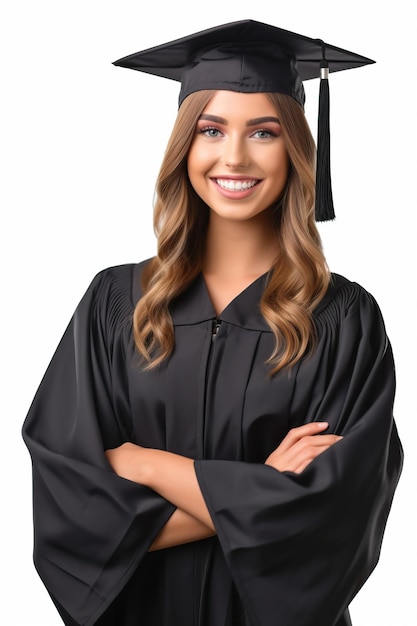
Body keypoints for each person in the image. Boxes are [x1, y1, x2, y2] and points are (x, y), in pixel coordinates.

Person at [22, 19, 403, 626]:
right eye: (211, 129)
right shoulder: (115, 303)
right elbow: (73, 522)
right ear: (185, 146)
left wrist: (152, 468)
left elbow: (337, 520)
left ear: (298, 149)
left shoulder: (344, 319)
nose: (234, 156)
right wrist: (262, 487)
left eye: (263, 131)